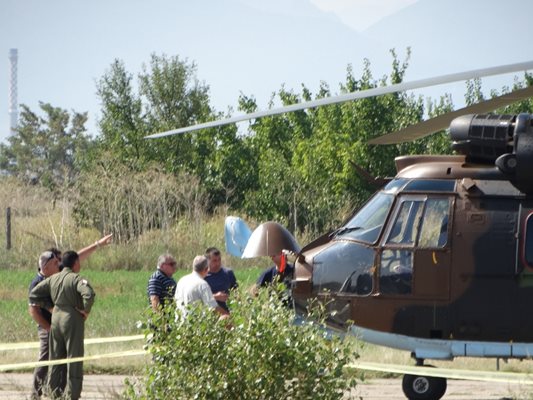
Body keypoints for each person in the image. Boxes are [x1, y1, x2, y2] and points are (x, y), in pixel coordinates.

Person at [27, 234, 112, 400]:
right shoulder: (39, 281)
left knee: (56, 361)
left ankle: (54, 393)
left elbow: (75, 257)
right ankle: (41, 394)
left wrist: (97, 244)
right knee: (57, 359)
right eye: (55, 261)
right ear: (47, 265)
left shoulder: (55, 276)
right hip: (50, 325)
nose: (59, 263)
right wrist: (83, 311)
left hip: (55, 322)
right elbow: (33, 308)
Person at [204, 247, 238, 313]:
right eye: (214, 261)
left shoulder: (228, 273)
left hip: (228, 313)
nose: (217, 263)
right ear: (207, 261)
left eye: (219, 260)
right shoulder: (203, 276)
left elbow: (236, 292)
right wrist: (215, 296)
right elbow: (199, 298)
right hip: (210, 314)